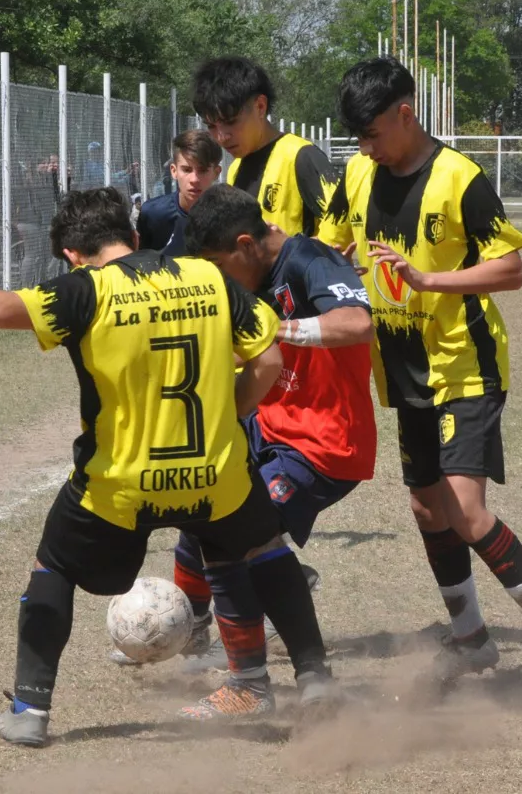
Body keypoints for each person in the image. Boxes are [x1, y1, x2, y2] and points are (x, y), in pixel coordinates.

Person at [0, 186, 336, 746]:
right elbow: (268, 359)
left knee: (53, 567)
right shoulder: (209, 278)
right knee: (263, 548)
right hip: (215, 475)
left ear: (72, 255)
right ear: (134, 236)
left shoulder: (85, 290)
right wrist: (231, 413)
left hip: (119, 486)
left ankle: (30, 711)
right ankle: (314, 679)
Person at [326, 57, 522, 707]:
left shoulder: (459, 178)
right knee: (425, 507)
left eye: (373, 135)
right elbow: (329, 245)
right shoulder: (357, 174)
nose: (366, 149)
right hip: (402, 365)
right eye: (358, 138)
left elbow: (511, 269)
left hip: (464, 363)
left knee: (465, 510)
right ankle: (471, 638)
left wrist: (429, 279)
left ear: (405, 114)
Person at [159, 183, 375, 719]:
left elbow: (357, 323)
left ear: (245, 244)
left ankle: (252, 685)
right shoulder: (248, 274)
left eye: (218, 265)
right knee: (205, 513)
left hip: (322, 443)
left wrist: (275, 329)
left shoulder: (311, 259)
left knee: (235, 533)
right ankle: (274, 665)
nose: (219, 278)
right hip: (268, 430)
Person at [192, 57, 339, 242]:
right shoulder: (235, 168)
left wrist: (292, 248)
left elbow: (343, 224)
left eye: (231, 122)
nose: (222, 137)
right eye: (211, 126)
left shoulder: (300, 156)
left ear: (260, 106)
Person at [134, 129, 222, 257]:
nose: (194, 179)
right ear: (174, 171)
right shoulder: (152, 214)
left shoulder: (229, 217)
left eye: (203, 170)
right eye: (187, 170)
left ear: (216, 173)